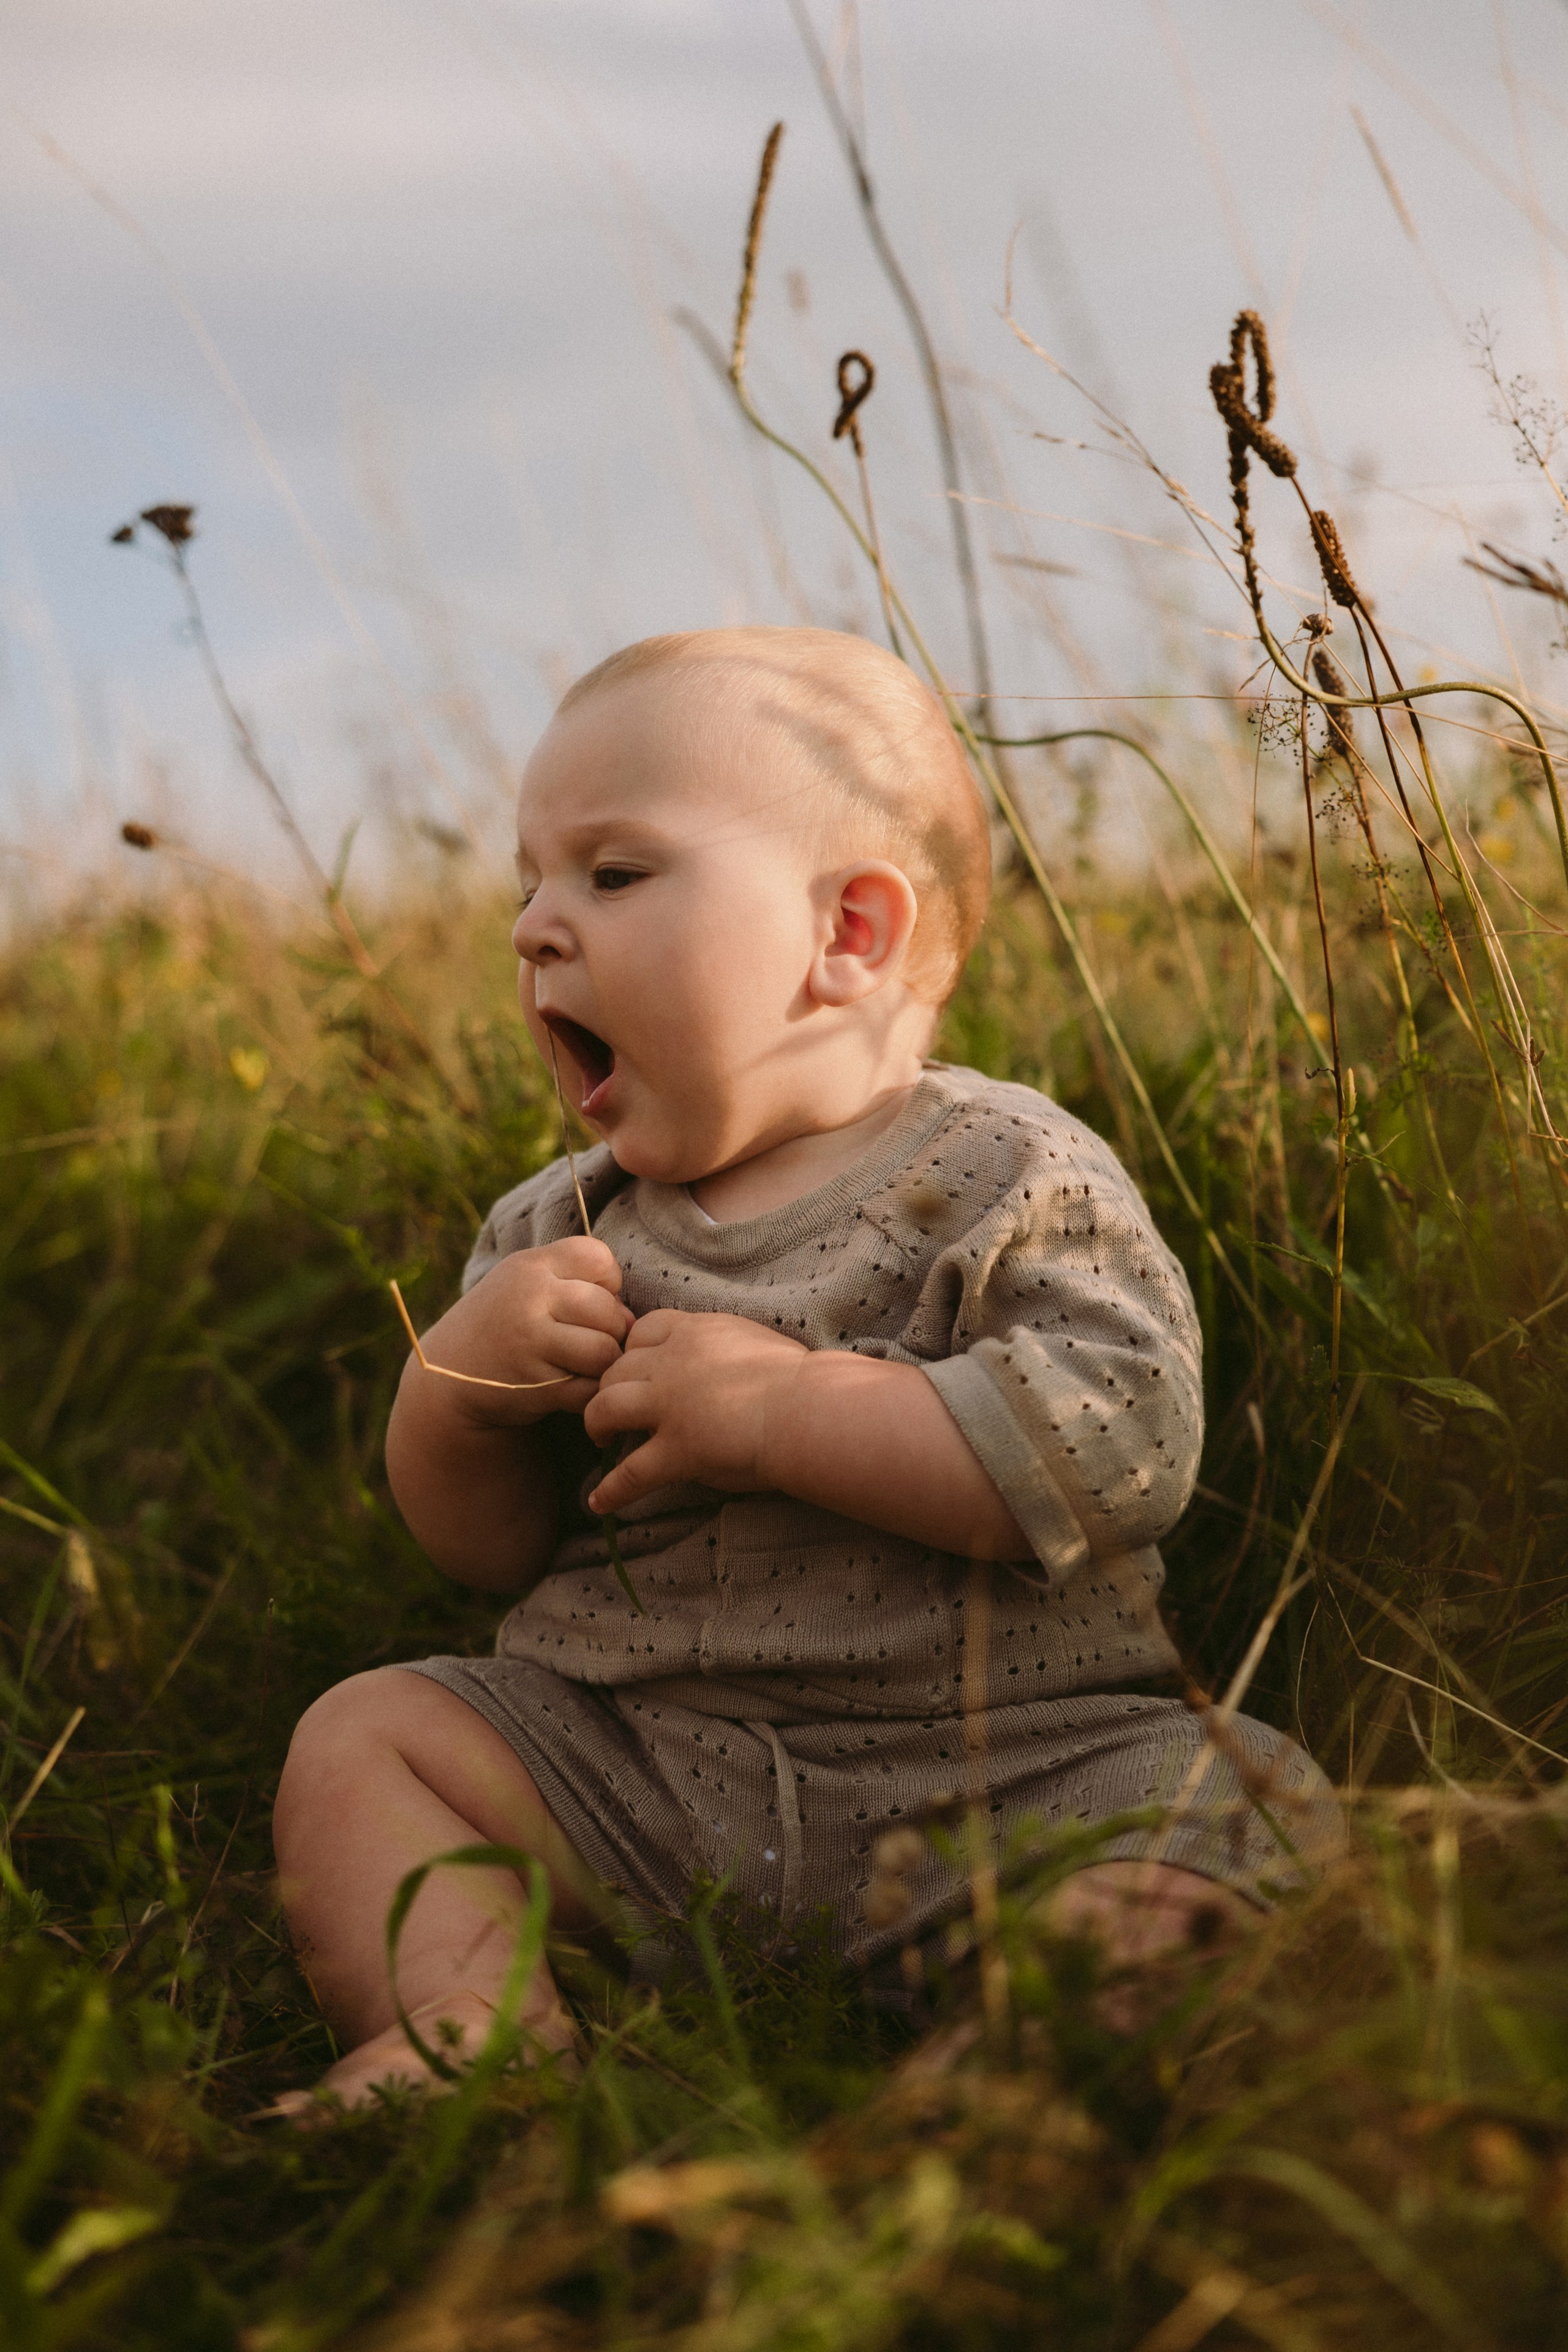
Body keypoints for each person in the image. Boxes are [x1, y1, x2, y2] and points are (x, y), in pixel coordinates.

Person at [271, 627, 1339, 2111]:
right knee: (366, 1735)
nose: (531, 925)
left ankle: (1014, 2075)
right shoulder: (552, 1228)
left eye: (611, 873)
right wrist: (452, 1391)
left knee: (1243, 1803)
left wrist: (786, 1412)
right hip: (635, 1778)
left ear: (848, 935)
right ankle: (470, 2031)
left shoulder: (1001, 1171)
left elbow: (1126, 1451)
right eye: (525, 883)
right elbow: (489, 1551)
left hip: (1006, 1776)